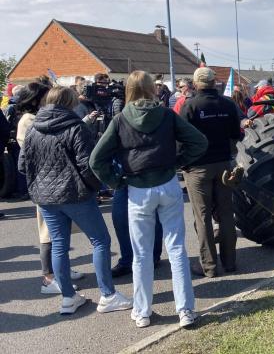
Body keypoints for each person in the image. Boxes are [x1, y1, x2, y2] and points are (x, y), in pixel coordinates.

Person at [90, 70, 208, 328]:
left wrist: (116, 181)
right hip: (168, 185)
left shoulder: (120, 120)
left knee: (141, 255)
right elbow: (199, 142)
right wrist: (178, 162)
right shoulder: (167, 115)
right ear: (152, 89)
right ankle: (186, 310)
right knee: (176, 249)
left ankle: (142, 312)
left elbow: (96, 160)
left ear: (129, 90)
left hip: (138, 190)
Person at [18, 86, 132, 314]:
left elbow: (22, 165)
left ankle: (68, 297)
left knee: (59, 244)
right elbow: (87, 164)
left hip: (45, 197)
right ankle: (107, 295)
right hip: (74, 194)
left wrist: (37, 184)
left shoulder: (33, 129)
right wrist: (94, 187)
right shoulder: (75, 127)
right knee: (100, 240)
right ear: (69, 103)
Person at [16, 82, 84, 293]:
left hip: (56, 182)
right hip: (45, 183)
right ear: (36, 100)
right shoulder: (29, 121)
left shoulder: (41, 118)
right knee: (48, 234)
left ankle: (61, 268)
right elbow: (27, 156)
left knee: (60, 232)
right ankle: (48, 277)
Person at [180, 67, 241, 278]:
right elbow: (236, 134)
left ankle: (209, 266)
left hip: (198, 168)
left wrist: (183, 163)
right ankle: (230, 262)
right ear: (215, 82)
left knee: (202, 216)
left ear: (195, 84)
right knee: (226, 213)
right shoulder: (228, 104)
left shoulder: (190, 106)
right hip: (224, 165)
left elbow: (181, 140)